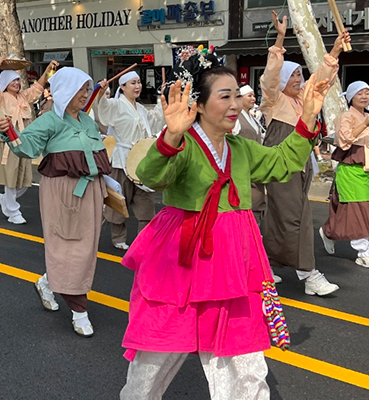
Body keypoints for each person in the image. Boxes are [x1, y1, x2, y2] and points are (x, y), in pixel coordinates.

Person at [118, 50, 330, 400]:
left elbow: (284, 160)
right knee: (155, 357)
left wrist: (308, 116)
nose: (235, 104)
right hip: (183, 257)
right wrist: (170, 138)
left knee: (244, 358)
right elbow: (151, 176)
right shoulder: (183, 145)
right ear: (198, 105)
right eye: (225, 96)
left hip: (235, 254)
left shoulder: (241, 148)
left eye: (237, 95)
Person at [0, 67, 113, 337]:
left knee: (85, 248)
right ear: (66, 91)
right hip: (63, 192)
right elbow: (26, 146)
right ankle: (79, 311)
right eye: (81, 90)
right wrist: (10, 132)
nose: (85, 95)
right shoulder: (50, 120)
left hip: (92, 192)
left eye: (87, 89)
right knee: (70, 247)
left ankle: (49, 281)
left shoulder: (87, 120)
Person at [258, 11, 348, 295]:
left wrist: (333, 50)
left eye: (299, 74)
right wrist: (281, 38)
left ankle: (266, 265)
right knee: (296, 215)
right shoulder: (274, 100)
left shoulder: (301, 100)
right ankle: (309, 274)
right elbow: (270, 77)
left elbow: (320, 79)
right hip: (280, 162)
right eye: (293, 75)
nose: (298, 79)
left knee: (282, 215)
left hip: (301, 163)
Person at [93, 71, 164, 250]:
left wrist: (162, 99)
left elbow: (155, 120)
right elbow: (104, 110)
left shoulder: (140, 108)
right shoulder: (116, 105)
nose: (138, 86)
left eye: (139, 82)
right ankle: (118, 238)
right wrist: (101, 94)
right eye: (133, 83)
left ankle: (144, 240)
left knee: (146, 201)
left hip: (140, 160)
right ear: (122, 87)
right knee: (119, 200)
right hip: (121, 160)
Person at [319, 81, 369, 269]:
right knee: (359, 210)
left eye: (367, 93)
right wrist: (364, 124)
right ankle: (364, 252)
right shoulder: (346, 117)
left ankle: (328, 231)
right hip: (350, 170)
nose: (364, 97)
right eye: (359, 94)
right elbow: (344, 141)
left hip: (366, 171)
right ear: (351, 97)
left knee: (346, 211)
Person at [0, 57, 57, 225]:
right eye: (13, 80)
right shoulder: (1, 97)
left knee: (25, 179)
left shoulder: (24, 96)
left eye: (18, 80)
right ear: (5, 83)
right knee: (11, 176)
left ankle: (6, 199)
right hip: (8, 139)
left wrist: (48, 69)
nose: (17, 83)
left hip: (24, 139)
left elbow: (38, 86)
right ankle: (13, 211)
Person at [233, 84, 269, 236]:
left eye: (254, 96)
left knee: (258, 199)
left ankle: (254, 235)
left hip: (256, 167)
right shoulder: (235, 118)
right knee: (250, 201)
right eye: (250, 96)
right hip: (243, 167)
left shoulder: (253, 119)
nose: (253, 99)